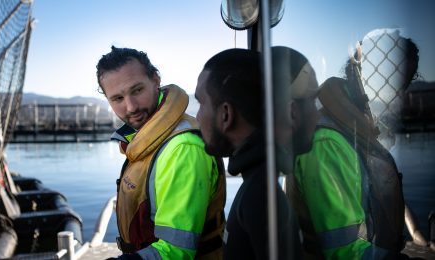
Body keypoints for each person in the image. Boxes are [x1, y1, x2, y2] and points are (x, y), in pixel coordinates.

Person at [286, 37, 413, 258]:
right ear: (362, 75)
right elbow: (343, 251)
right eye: (390, 81)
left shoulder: (356, 128)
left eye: (403, 84)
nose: (397, 93)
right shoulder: (327, 143)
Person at [96, 46, 226, 259]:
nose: (130, 107)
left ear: (156, 80)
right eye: (117, 99)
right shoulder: (145, 139)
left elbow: (176, 251)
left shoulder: (183, 148)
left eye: (137, 90)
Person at [194, 46, 320, 259]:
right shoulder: (260, 186)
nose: (197, 117)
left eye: (201, 103)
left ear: (226, 115)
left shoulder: (260, 197)